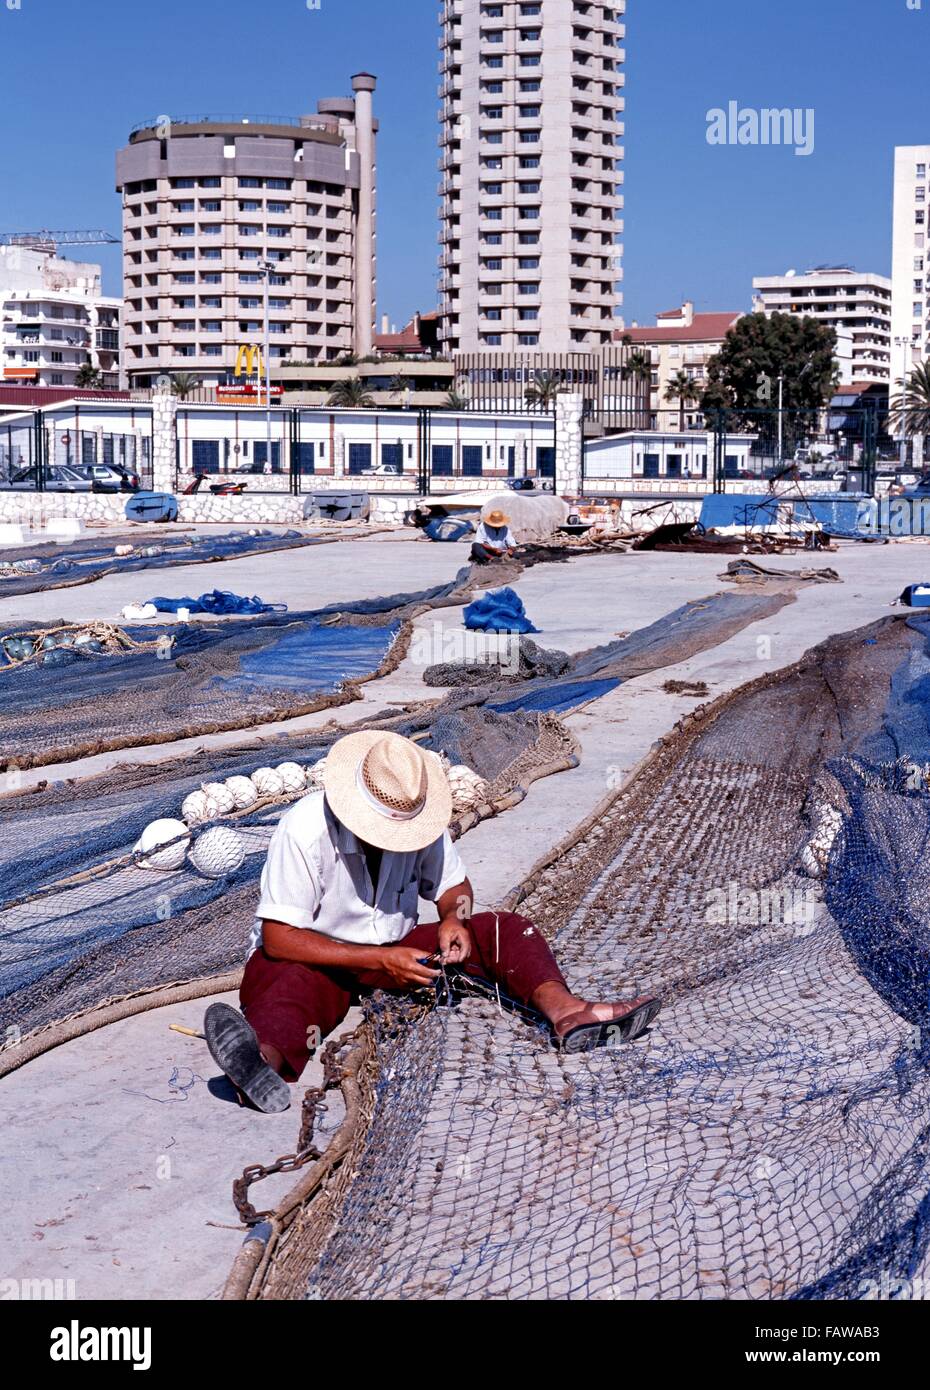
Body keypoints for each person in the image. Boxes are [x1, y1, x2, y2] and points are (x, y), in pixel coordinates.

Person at [205, 731, 660, 1112]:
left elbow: (454, 890)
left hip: (400, 948)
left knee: (503, 929)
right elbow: (280, 938)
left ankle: (567, 1012)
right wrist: (381, 961)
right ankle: (258, 1063)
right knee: (290, 989)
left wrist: (453, 920)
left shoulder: (419, 815)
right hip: (319, 956)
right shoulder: (305, 829)